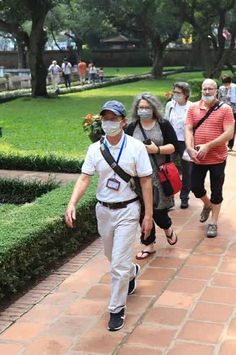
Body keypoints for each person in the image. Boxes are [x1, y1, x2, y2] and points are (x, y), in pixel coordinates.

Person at [65, 100, 153, 332]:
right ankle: (132, 272)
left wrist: (148, 216)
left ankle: (116, 309)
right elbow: (85, 178)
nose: (109, 123)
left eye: (114, 119)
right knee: (111, 256)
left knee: (118, 265)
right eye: (105, 119)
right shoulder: (95, 149)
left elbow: (145, 181)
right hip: (104, 210)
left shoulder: (136, 147)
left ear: (124, 122)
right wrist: (72, 202)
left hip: (128, 209)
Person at [125, 93, 180, 260]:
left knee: (158, 211)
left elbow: (174, 147)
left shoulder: (163, 124)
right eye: (141, 107)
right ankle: (148, 243)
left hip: (158, 176)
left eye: (147, 107)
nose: (144, 110)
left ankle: (167, 228)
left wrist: (156, 149)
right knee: (142, 210)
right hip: (137, 177)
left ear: (154, 108)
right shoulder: (132, 127)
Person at [184, 79, 235, 238]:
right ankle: (207, 205)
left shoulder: (225, 109)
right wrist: (189, 147)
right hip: (198, 158)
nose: (207, 92)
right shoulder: (193, 107)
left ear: (216, 91)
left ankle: (213, 223)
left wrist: (208, 145)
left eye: (210, 89)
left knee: (216, 191)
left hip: (217, 158)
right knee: (195, 187)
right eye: (204, 89)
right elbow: (188, 128)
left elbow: (229, 133)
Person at [164, 82, 193, 209]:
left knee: (187, 170)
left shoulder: (192, 107)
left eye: (178, 93)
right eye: (174, 92)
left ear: (186, 94)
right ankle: (169, 197)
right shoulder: (170, 105)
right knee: (167, 169)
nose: (175, 95)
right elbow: (165, 121)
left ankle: (184, 197)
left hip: (185, 141)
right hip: (171, 142)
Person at [218, 75, 236, 150]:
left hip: (232, 110)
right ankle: (222, 143)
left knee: (231, 128)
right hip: (222, 110)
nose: (225, 86)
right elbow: (219, 99)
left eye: (227, 84)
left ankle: (230, 145)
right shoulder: (221, 88)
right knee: (221, 127)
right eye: (224, 84)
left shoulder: (235, 87)